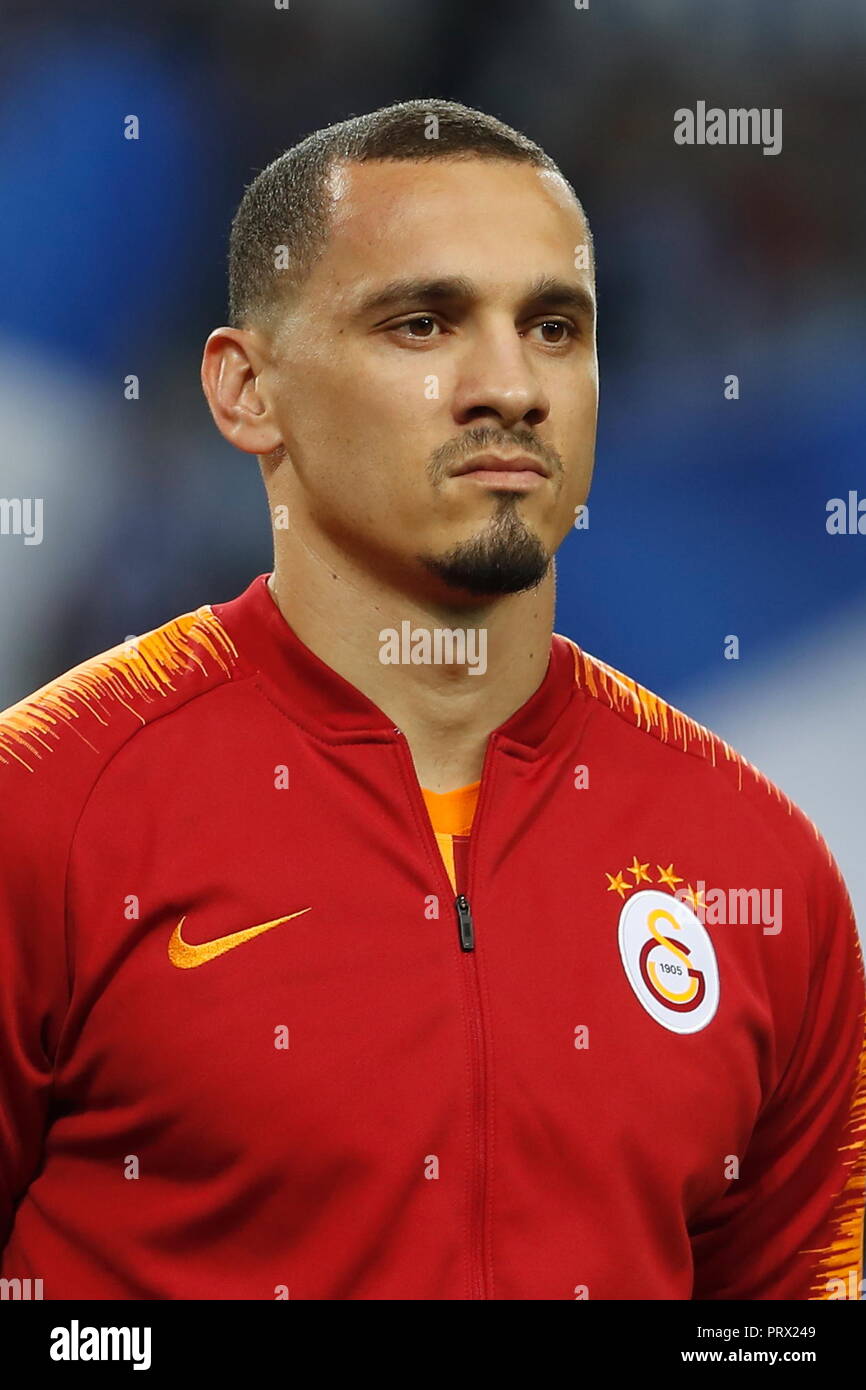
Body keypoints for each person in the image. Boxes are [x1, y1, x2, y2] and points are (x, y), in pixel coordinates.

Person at [1, 98, 864, 1302]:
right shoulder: (44, 812)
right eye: (421, 322)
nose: (506, 387)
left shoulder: (760, 868)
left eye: (552, 328)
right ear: (247, 390)